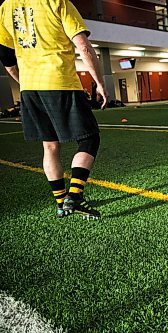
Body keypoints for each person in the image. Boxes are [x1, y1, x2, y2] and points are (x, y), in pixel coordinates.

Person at [0, 0, 108, 219]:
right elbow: (84, 46)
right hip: (60, 82)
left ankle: (61, 204)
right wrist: (99, 83)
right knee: (89, 138)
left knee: (49, 146)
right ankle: (75, 196)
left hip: (30, 87)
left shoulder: (5, 7)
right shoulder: (57, 1)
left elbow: (6, 57)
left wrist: (24, 82)